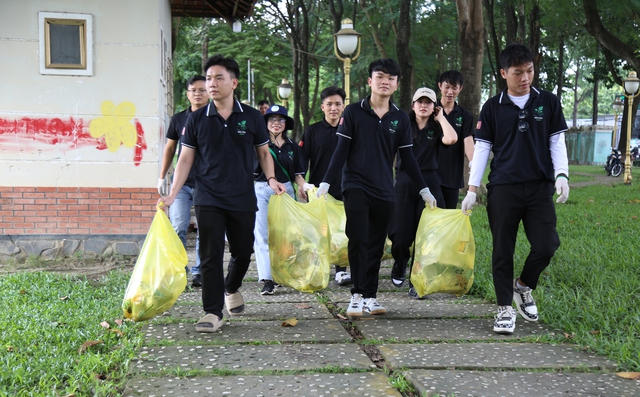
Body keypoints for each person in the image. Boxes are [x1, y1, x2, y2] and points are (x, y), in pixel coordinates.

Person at [159, 54, 286, 333]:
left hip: (242, 195)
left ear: (234, 82)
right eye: (208, 78)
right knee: (210, 253)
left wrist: (273, 178)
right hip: (208, 197)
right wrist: (171, 194)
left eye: (218, 78)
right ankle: (212, 311)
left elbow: (264, 153)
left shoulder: (252, 117)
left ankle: (231, 286)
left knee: (243, 251)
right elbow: (185, 160)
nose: (211, 84)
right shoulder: (195, 120)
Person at [461, 43, 569, 335]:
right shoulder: (493, 107)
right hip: (503, 188)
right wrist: (473, 188)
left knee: (547, 245)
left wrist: (562, 175)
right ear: (503, 73)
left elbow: (556, 142)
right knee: (502, 250)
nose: (525, 78)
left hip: (538, 187)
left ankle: (523, 286)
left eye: (530, 71)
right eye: (518, 72)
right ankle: (504, 310)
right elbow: (482, 148)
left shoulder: (548, 102)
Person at [316, 58, 437, 317]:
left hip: (385, 188)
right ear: (370, 81)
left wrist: (424, 189)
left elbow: (408, 158)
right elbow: (341, 151)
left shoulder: (400, 118)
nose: (385, 81)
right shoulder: (353, 112)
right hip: (355, 185)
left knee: (376, 243)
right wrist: (326, 181)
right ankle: (357, 295)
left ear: (396, 84)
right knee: (358, 238)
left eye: (391, 78)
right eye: (380, 76)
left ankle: (371, 296)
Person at [389, 87, 457, 296]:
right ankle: (400, 262)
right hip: (404, 181)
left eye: (429, 102)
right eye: (420, 101)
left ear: (434, 107)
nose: (424, 105)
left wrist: (442, 118)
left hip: (430, 182)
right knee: (400, 236)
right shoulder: (403, 125)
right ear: (413, 105)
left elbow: (452, 139)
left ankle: (416, 279)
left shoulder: (436, 129)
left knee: (425, 234)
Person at [298, 86, 353, 286]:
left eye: (338, 104)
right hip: (319, 190)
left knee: (343, 231)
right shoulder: (312, 131)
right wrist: (302, 183)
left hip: (346, 187)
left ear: (343, 107)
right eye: (329, 104)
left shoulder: (350, 129)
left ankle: (341, 269)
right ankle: (317, 269)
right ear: (322, 107)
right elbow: (303, 159)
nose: (333, 108)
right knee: (318, 231)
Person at [157, 75, 208, 287]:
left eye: (202, 90)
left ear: (209, 93)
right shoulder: (179, 119)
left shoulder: (214, 117)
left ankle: (199, 272)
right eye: (193, 90)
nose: (198, 93)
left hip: (207, 183)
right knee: (178, 226)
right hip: (182, 185)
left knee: (205, 230)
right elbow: (170, 148)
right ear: (187, 94)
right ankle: (180, 269)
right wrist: (162, 177)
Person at [254, 105, 306, 295]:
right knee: (262, 235)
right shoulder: (258, 144)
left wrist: (304, 186)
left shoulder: (293, 146)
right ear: (266, 123)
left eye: (281, 120)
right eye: (272, 120)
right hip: (261, 190)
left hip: (286, 193)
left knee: (286, 236)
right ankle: (267, 279)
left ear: (286, 124)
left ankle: (283, 274)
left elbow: (298, 174)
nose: (276, 123)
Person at [436, 70, 475, 209]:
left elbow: (468, 141)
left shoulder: (465, 115)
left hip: (452, 176)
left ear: (460, 89)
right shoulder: (430, 109)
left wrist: (473, 163)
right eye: (447, 87)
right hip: (431, 173)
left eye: (454, 88)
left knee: (447, 216)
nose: (450, 92)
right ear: (440, 86)